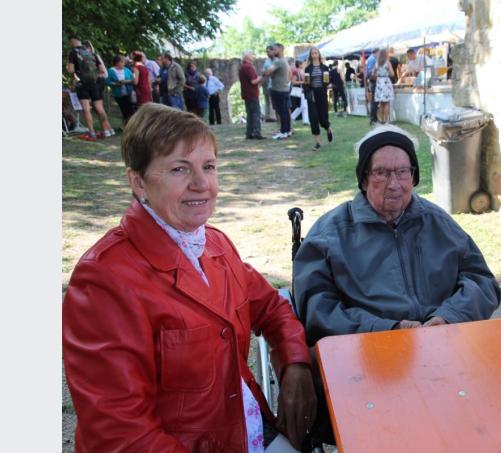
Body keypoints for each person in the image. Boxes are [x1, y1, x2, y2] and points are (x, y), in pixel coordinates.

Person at [63, 103, 317, 452]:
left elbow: (272, 306)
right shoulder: (104, 279)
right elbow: (121, 435)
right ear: (137, 181)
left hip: (245, 429)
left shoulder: (214, 244)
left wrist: (295, 363)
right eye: (180, 169)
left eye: (208, 167)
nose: (202, 184)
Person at [293, 124, 500, 448]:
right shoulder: (331, 233)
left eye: (403, 172)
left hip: (441, 356)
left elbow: (481, 280)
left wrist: (448, 318)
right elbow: (316, 309)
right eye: (381, 173)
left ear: (415, 176)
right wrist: (388, 329)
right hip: (364, 366)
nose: (394, 184)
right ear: (363, 178)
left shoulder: (437, 222)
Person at [66, 35, 113, 141]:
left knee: (86, 109)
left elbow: (71, 70)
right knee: (100, 108)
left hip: (82, 84)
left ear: (72, 41)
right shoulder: (92, 53)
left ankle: (92, 133)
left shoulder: (73, 53)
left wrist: (68, 67)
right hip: (95, 83)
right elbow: (101, 70)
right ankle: (106, 131)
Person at [303, 47, 334, 151]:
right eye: (312, 53)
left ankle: (328, 128)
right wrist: (306, 89)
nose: (314, 55)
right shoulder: (308, 68)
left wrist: (328, 82)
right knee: (313, 118)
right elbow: (306, 83)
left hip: (322, 93)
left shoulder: (325, 68)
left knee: (323, 117)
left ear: (319, 54)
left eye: (316, 53)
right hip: (312, 94)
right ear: (310, 55)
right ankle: (317, 143)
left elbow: (327, 81)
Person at [265, 43, 292, 140]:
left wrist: (267, 72)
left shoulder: (278, 62)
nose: (273, 51)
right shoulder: (285, 61)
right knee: (285, 111)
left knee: (282, 111)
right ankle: (288, 130)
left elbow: (268, 72)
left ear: (280, 50)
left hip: (278, 90)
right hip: (284, 89)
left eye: (274, 49)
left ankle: (283, 131)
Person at [239, 50, 265, 140]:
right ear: (247, 57)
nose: (253, 56)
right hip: (252, 93)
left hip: (246, 93)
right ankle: (257, 132)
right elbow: (253, 81)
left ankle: (249, 133)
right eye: (251, 55)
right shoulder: (248, 67)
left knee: (250, 114)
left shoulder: (242, 67)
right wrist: (262, 77)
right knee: (256, 113)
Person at [105, 55, 137, 126]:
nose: (124, 63)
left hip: (128, 93)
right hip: (118, 94)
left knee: (130, 109)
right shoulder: (111, 71)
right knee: (124, 110)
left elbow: (133, 80)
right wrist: (115, 84)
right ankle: (126, 125)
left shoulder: (127, 70)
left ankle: (129, 125)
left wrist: (126, 81)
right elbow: (107, 81)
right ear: (117, 63)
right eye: (122, 62)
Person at [371, 49, 395, 124]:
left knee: (381, 103)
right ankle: (386, 120)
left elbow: (372, 74)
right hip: (386, 82)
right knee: (387, 102)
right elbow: (392, 74)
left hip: (379, 82)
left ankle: (381, 120)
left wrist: (377, 77)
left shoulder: (376, 63)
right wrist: (387, 73)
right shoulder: (387, 63)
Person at [290, 60, 309, 125]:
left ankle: (305, 120)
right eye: (302, 64)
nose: (303, 65)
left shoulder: (301, 71)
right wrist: (303, 82)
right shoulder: (296, 71)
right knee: (302, 106)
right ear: (300, 64)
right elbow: (293, 82)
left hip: (302, 89)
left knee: (305, 105)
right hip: (298, 90)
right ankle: (292, 117)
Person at [262, 45, 277, 123]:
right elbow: (263, 72)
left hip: (274, 84)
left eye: (268, 51)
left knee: (272, 100)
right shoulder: (267, 61)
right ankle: (267, 116)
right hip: (266, 83)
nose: (267, 53)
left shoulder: (277, 60)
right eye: (266, 52)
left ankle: (273, 116)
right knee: (267, 100)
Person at [365, 48, 380, 125]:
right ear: (376, 52)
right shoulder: (372, 59)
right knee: (374, 101)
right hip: (373, 82)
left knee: (375, 101)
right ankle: (373, 119)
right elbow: (371, 73)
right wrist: (378, 79)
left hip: (372, 82)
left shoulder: (371, 58)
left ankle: (374, 118)